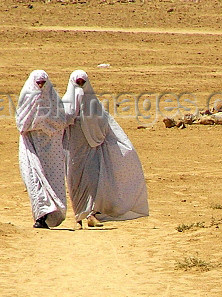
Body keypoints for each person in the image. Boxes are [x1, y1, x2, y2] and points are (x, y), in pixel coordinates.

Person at [62, 69, 149, 228]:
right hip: (74, 153)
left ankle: (91, 215)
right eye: (78, 83)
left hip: (91, 151)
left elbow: (103, 126)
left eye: (83, 83)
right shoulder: (66, 103)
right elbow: (62, 121)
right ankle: (78, 219)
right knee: (75, 184)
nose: (80, 87)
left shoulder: (94, 104)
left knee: (93, 181)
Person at [16, 70, 70, 229]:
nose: (40, 87)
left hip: (51, 149)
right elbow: (21, 122)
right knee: (34, 180)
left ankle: (50, 214)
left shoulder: (53, 99)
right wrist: (37, 124)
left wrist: (44, 125)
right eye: (37, 83)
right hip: (32, 146)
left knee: (52, 181)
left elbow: (60, 121)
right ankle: (40, 216)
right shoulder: (27, 96)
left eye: (43, 83)